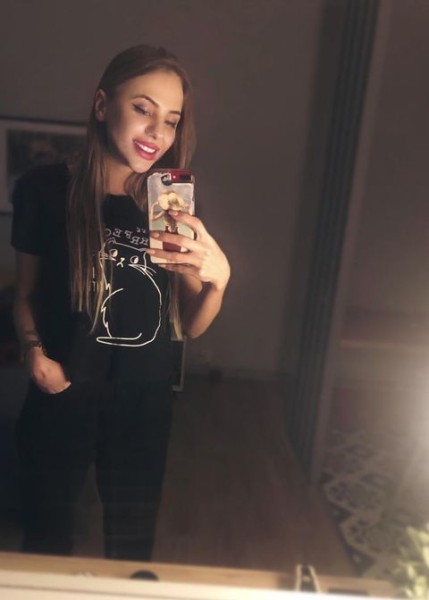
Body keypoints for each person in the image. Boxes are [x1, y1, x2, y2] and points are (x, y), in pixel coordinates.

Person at [11, 44, 230, 560]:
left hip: (143, 401)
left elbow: (191, 326)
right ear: (102, 104)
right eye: (142, 109)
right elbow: (24, 295)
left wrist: (219, 283)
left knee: (131, 546)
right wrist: (34, 353)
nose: (157, 132)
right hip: (62, 388)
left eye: (171, 120)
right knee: (45, 537)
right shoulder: (44, 189)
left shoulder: (170, 204)